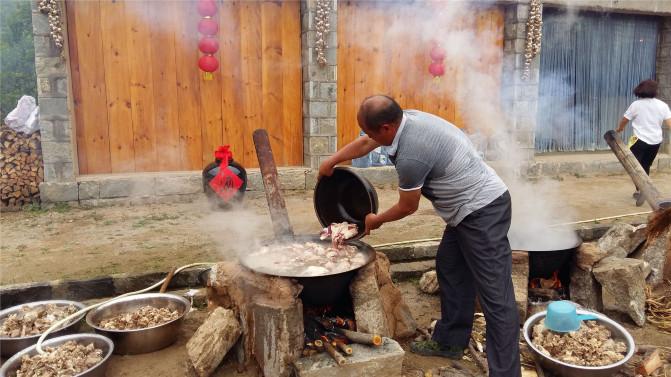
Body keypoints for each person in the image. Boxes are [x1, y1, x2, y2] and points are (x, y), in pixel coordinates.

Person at [319, 95, 521, 377]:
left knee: (496, 297)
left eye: (371, 130)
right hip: (463, 211)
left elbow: (408, 206)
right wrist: (333, 160)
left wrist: (375, 220)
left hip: (482, 211)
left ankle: (506, 373)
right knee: (450, 267)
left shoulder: (412, 154)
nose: (368, 137)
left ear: (386, 128)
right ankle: (451, 341)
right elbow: (367, 142)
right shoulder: (405, 120)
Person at [616, 79, 671, 206]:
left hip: (639, 141)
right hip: (656, 142)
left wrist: (620, 129)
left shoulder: (636, 105)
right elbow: (669, 123)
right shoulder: (662, 105)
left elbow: (625, 119)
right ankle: (641, 189)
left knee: (633, 167)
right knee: (645, 165)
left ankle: (643, 190)